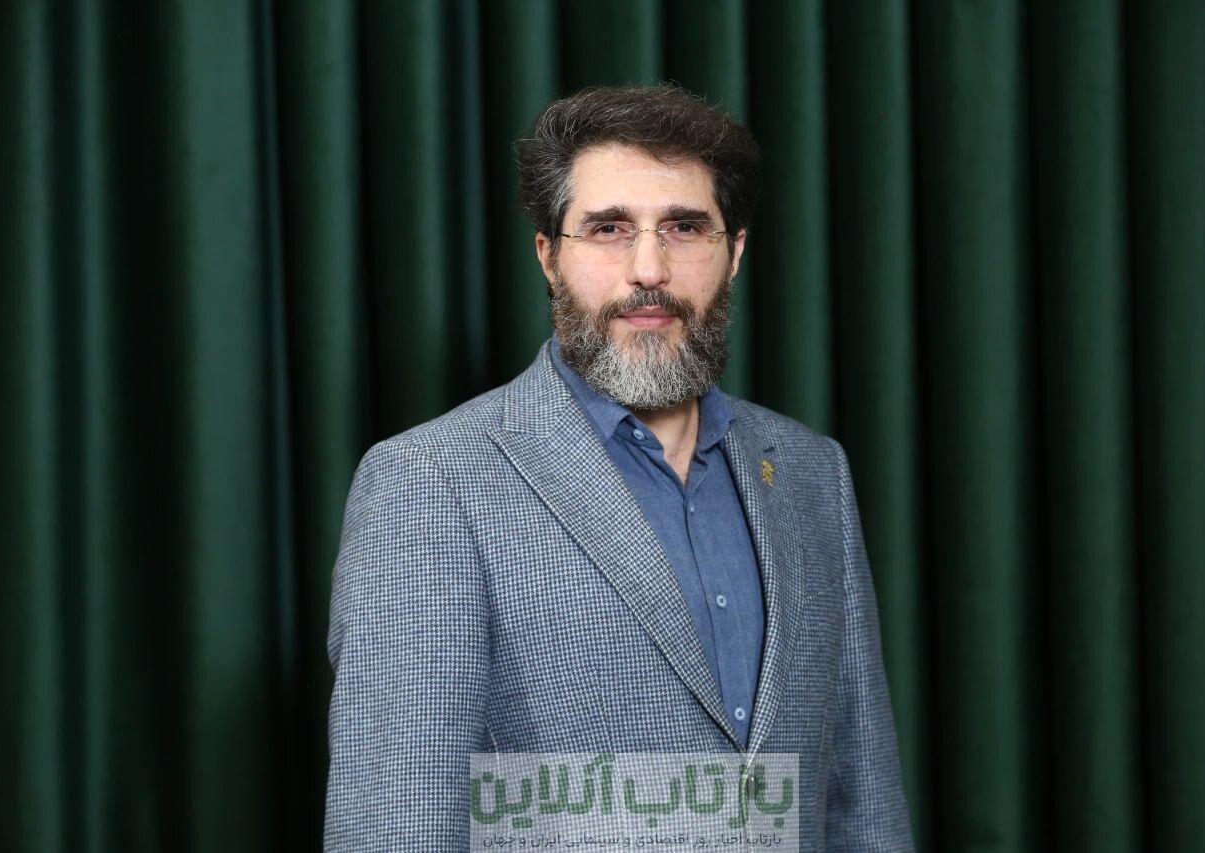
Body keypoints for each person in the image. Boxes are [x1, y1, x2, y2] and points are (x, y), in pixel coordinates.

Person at [324, 84, 913, 851]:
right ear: (549, 256)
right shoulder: (429, 482)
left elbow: (862, 802)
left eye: (684, 228)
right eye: (609, 229)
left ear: (734, 251)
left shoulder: (810, 474)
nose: (648, 269)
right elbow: (396, 824)